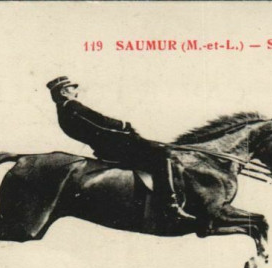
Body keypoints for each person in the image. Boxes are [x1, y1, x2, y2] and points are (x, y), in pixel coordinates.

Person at [46, 76, 195, 220]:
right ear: (63, 92)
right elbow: (99, 122)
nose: (75, 91)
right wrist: (124, 126)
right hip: (116, 147)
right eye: (71, 88)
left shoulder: (62, 112)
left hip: (108, 147)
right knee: (162, 155)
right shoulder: (71, 106)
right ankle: (170, 204)